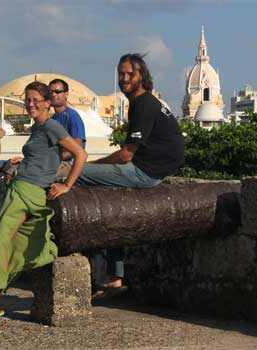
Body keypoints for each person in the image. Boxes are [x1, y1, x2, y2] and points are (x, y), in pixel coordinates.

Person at [0, 81, 87, 326]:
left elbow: (80, 153)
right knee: (1, 242)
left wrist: (67, 185)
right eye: (27, 99)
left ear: (48, 103)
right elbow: (48, 156)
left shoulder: (51, 126)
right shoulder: (38, 128)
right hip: (21, 188)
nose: (30, 104)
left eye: (36, 99)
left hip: (28, 192)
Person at [77, 53, 185, 299]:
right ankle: (115, 278)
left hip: (144, 173)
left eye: (129, 74)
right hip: (150, 170)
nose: (124, 79)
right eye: (121, 74)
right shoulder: (144, 103)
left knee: (78, 173)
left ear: (141, 77)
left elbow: (126, 155)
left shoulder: (143, 104)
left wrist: (90, 165)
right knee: (110, 208)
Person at [48, 78, 86, 179]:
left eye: (58, 92)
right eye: (50, 92)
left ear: (66, 94)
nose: (53, 94)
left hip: (68, 165)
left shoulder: (72, 117)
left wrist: (52, 159)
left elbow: (77, 149)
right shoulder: (52, 119)